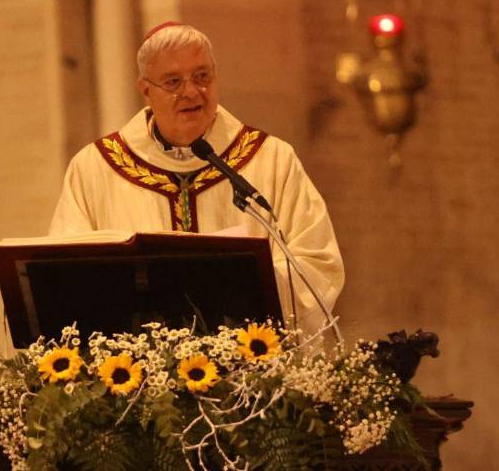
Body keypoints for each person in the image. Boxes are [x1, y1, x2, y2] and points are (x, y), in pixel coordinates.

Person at [48, 22, 344, 332]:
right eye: (173, 82)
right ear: (146, 91)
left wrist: (245, 289)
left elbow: (317, 263)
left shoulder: (271, 160)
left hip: (251, 354)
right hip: (135, 359)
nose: (191, 92)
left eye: (202, 77)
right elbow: (65, 274)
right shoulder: (96, 168)